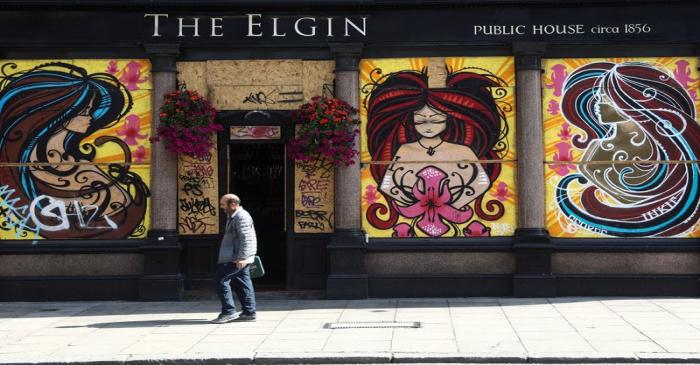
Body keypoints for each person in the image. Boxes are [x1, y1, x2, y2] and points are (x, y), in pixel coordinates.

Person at [0, 62, 149, 239]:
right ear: (64, 114)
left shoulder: (79, 165)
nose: (90, 117)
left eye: (90, 110)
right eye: (85, 111)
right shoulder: (27, 168)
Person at [557, 61, 700, 236]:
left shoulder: (675, 158)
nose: (597, 104)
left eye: (605, 98)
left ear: (630, 101)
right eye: (599, 97)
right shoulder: (595, 153)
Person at [364, 68, 510, 236]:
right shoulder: (404, 150)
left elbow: (482, 182)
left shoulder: (463, 150)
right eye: (420, 121)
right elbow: (388, 184)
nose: (427, 126)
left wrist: (454, 205)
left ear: (449, 119)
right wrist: (410, 203)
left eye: (435, 120)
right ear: (411, 121)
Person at [211, 193, 257, 324]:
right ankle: (249, 312)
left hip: (236, 258)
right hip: (236, 257)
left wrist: (242, 258)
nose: (221, 207)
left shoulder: (241, 217)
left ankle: (229, 311)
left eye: (223, 204)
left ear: (233, 204)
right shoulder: (233, 216)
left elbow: (246, 238)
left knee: (220, 281)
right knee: (243, 283)